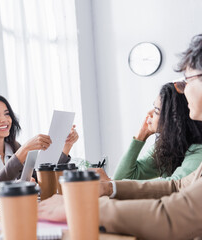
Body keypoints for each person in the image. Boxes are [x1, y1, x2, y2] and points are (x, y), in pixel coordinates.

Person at [38, 34, 202, 239]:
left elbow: (173, 215)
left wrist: (82, 208)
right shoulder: (169, 147)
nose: (183, 90)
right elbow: (176, 186)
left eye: (187, 80)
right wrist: (110, 188)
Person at [0, 94, 79, 186]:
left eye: (7, 114)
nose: (4, 119)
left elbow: (38, 176)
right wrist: (24, 150)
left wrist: (66, 146)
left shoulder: (14, 148)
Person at [113, 82, 202, 181]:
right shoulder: (167, 146)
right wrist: (140, 137)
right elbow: (121, 178)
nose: (149, 113)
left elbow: (174, 186)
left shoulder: (199, 150)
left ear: (174, 120)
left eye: (156, 110)